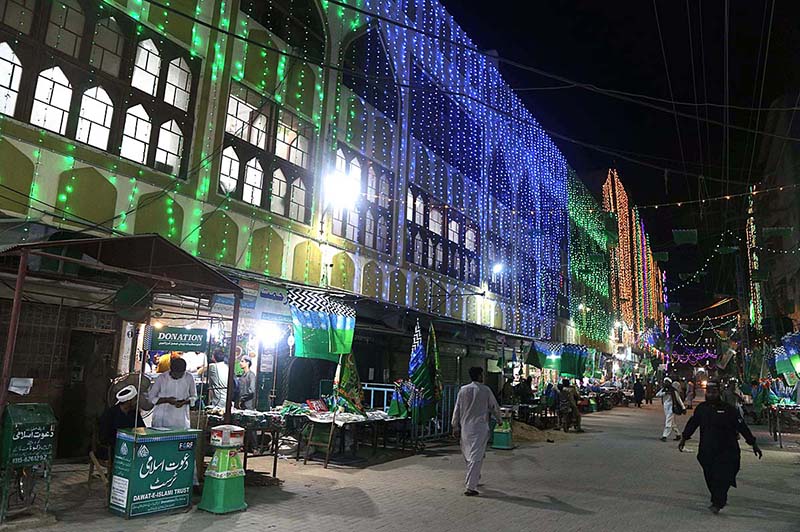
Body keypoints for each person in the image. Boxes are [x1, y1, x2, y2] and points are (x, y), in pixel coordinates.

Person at [679, 381, 762, 514]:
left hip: (727, 451)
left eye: (714, 392)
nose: (711, 394)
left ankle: (718, 501)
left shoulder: (729, 410)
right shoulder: (702, 408)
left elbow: (742, 427)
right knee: (710, 476)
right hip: (707, 450)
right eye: (709, 392)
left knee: (723, 476)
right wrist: (684, 438)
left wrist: (753, 443)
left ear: (719, 393)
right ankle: (717, 498)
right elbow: (692, 423)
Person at [451, 366, 503, 497]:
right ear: (480, 376)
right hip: (479, 427)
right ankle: (471, 487)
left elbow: (456, 408)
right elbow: (494, 406)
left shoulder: (463, 390)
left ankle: (474, 478)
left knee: (469, 453)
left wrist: (455, 425)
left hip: (466, 428)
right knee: (476, 456)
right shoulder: (485, 390)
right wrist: (500, 419)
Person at [149, 357, 197, 430]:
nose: (178, 377)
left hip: (181, 419)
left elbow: (194, 396)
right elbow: (151, 398)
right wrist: (167, 400)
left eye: (181, 375)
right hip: (162, 419)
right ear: (171, 370)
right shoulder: (162, 378)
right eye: (176, 374)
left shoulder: (189, 378)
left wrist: (184, 402)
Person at [98, 385, 144, 458]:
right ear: (129, 401)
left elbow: (142, 429)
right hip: (113, 447)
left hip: (132, 445)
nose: (136, 402)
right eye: (135, 399)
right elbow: (104, 437)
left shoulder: (134, 413)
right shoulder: (110, 413)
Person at [656, 377, 685, 441]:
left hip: (672, 408)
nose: (665, 383)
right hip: (665, 408)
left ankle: (665, 436)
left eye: (667, 382)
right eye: (665, 382)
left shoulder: (673, 391)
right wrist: (665, 393)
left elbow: (679, 399)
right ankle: (678, 434)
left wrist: (683, 407)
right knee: (672, 422)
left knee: (668, 421)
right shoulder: (663, 390)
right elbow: (657, 394)